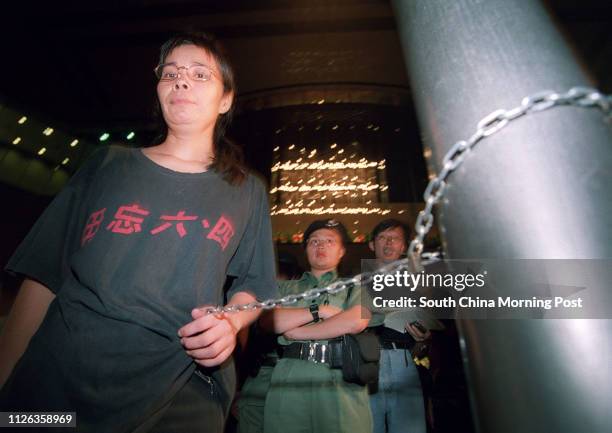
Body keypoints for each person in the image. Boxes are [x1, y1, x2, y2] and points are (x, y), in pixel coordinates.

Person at [0, 32, 277, 433]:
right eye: (171, 73)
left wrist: (231, 324)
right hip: (54, 389)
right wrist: (5, 381)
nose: (181, 81)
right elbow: (43, 272)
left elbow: (254, 284)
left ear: (226, 99)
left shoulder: (246, 190)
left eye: (200, 75)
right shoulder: (108, 164)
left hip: (178, 392)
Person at [258, 219, 373, 433]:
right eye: (314, 241)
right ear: (305, 249)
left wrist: (298, 331)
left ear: (342, 251)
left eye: (329, 241)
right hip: (289, 378)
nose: (320, 246)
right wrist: (319, 311)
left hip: (339, 378)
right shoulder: (284, 288)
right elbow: (269, 321)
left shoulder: (356, 286)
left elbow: (357, 320)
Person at [368, 219, 429, 433]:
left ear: (403, 246)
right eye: (382, 237)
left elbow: (426, 336)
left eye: (394, 238)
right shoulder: (355, 282)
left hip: (404, 362)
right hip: (367, 363)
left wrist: (422, 340)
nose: (388, 243)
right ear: (372, 245)